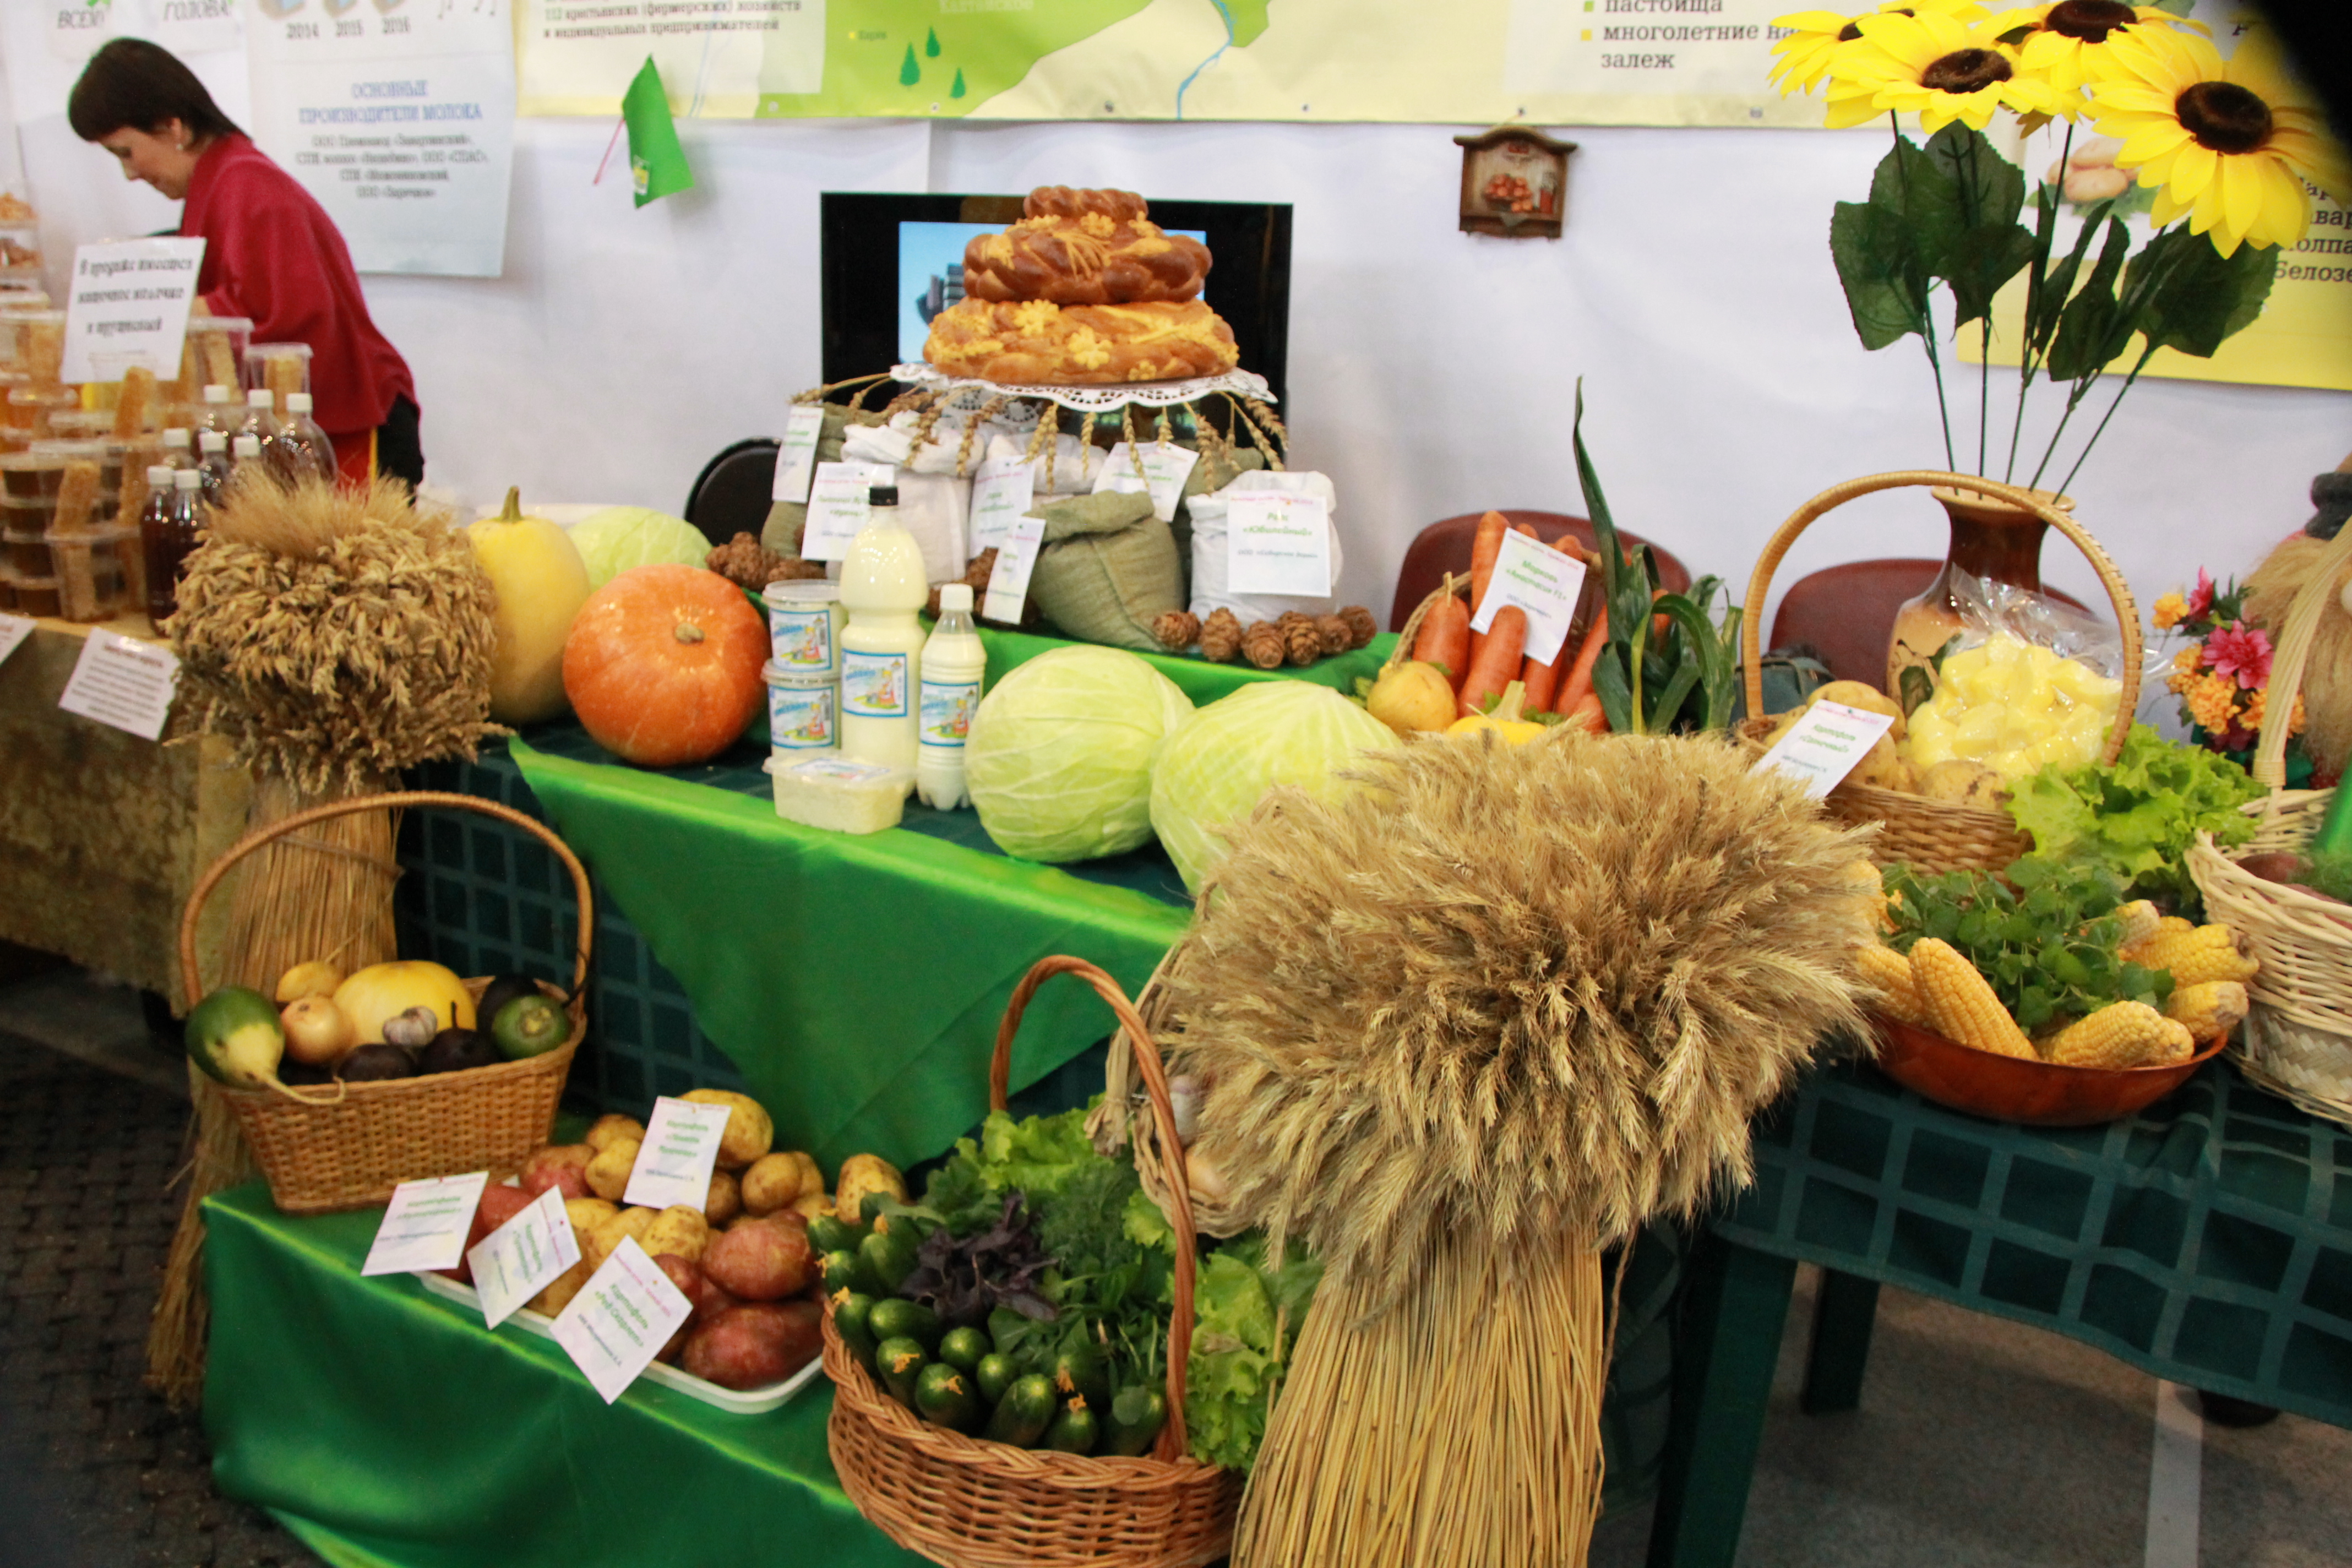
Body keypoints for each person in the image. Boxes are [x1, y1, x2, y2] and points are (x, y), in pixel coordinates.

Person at [68, 38, 422, 489]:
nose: (130, 174)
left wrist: (149, 312)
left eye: (126, 152)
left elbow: (285, 316)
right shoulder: (220, 180)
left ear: (172, 127)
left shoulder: (245, 183)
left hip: (352, 431)